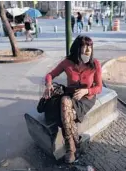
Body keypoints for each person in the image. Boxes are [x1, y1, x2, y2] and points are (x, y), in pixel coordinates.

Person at [44, 35, 102, 163]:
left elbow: (99, 87)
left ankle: (72, 146)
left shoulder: (95, 64)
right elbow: (50, 74)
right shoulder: (67, 63)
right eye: (84, 47)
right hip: (71, 96)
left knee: (66, 112)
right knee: (65, 102)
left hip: (87, 98)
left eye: (90, 48)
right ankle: (73, 145)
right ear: (77, 49)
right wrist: (48, 84)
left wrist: (86, 90)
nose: (88, 51)